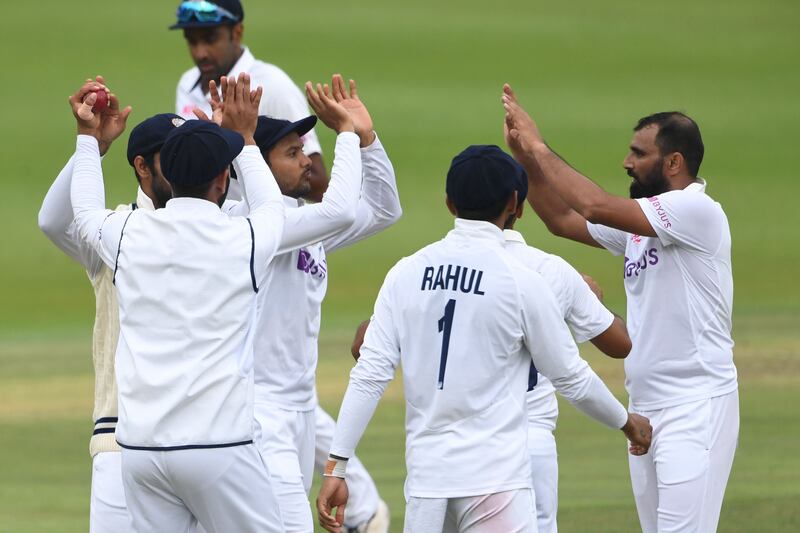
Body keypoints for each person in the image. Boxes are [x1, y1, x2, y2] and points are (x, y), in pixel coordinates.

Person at [317, 145, 652, 533]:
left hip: (427, 484)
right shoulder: (522, 280)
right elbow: (571, 378)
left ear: (449, 203)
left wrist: (337, 467)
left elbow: (369, 374)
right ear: (516, 205)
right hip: (496, 484)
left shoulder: (406, 273)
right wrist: (625, 422)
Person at [502, 84, 738, 533]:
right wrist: (523, 159)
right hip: (646, 406)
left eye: (638, 153)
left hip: (696, 404)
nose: (627, 162)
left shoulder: (695, 211)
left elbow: (593, 205)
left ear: (674, 162)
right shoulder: (644, 223)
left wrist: (538, 144)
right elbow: (564, 220)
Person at [69, 73, 286, 532]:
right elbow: (272, 205)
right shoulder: (244, 238)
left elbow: (84, 212)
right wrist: (247, 139)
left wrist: (88, 139)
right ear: (223, 177)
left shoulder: (127, 231)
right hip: (219, 447)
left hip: (142, 453)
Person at [223, 74, 398, 532]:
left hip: (301, 409)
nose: (306, 162)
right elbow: (340, 209)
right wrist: (343, 134)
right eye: (293, 152)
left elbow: (384, 210)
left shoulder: (302, 223)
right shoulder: (258, 225)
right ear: (257, 164)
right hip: (259, 410)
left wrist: (368, 139)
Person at [171, 0, 328, 201]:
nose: (200, 53)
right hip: (206, 224)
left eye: (210, 39)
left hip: (257, 227)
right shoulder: (186, 83)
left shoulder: (274, 86)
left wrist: (240, 148)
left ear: (236, 32)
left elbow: (318, 183)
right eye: (192, 41)